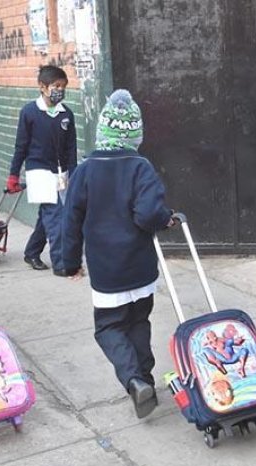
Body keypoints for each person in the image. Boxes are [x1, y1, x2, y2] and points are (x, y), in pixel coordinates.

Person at [61, 90, 175, 419]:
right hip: (140, 269)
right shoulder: (141, 167)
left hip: (106, 272)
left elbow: (71, 222)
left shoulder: (85, 171)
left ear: (102, 132)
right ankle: (147, 379)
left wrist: (69, 263)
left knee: (109, 328)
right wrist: (166, 218)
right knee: (139, 321)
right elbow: (149, 214)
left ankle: (135, 380)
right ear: (135, 135)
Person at [6, 65, 77, 276]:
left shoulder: (67, 114)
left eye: (63, 86)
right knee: (57, 217)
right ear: (42, 87)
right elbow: (21, 146)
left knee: (47, 216)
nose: (60, 90)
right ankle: (61, 263)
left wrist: (72, 173)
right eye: (56, 86)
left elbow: (71, 147)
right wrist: (13, 174)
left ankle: (31, 252)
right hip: (39, 172)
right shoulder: (29, 112)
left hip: (61, 172)